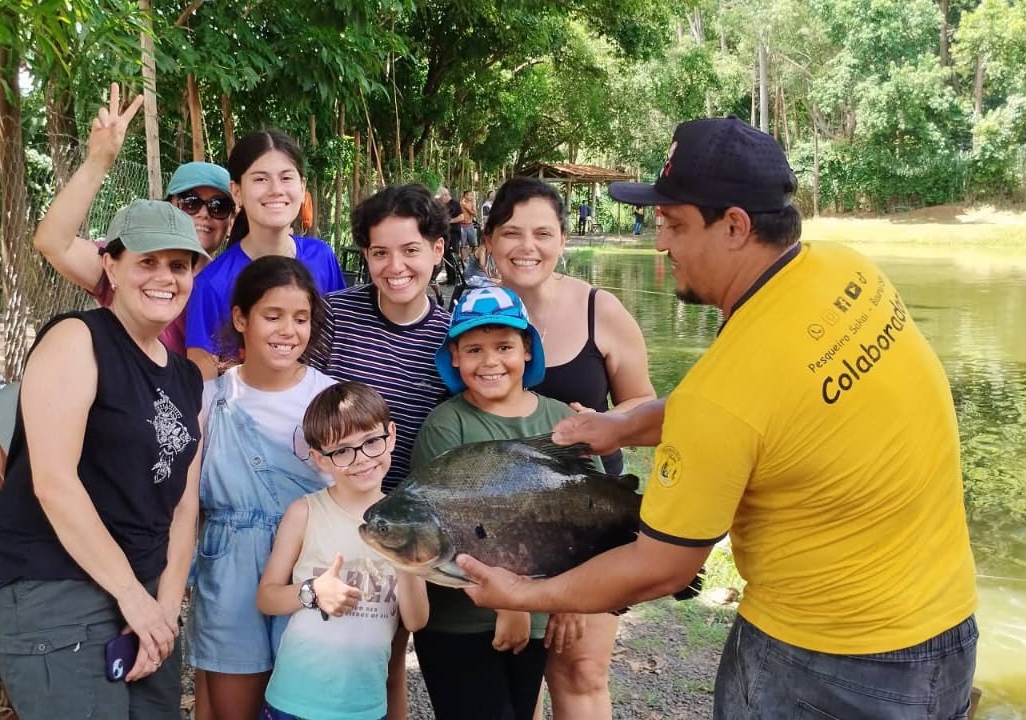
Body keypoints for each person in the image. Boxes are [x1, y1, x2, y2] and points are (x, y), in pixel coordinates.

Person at [458, 117, 980, 719]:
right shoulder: (849, 272)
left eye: (675, 225)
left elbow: (659, 569)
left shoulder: (725, 389)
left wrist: (524, 591)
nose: (660, 245)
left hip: (822, 660)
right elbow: (775, 404)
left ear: (734, 225)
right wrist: (624, 425)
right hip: (947, 626)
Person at [0, 199, 208, 718]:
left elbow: (183, 506)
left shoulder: (185, 378)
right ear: (111, 265)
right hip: (58, 589)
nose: (164, 278)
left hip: (146, 600)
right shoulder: (78, 338)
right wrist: (131, 596)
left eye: (179, 265)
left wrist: (165, 609)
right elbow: (54, 483)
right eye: (146, 261)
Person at [479, 176, 656, 718]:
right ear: (488, 240)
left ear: (562, 239)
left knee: (578, 669)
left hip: (589, 522)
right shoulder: (473, 314)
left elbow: (647, 407)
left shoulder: (598, 310)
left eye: (542, 233)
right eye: (511, 233)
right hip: (506, 530)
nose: (526, 247)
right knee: (519, 675)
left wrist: (606, 421)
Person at [410, 284, 594, 720]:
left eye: (504, 346)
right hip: (459, 622)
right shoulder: (446, 425)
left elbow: (588, 522)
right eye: (473, 349)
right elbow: (439, 525)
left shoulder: (563, 420)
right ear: (454, 356)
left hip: (539, 618)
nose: (490, 361)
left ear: (526, 350)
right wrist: (507, 602)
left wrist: (569, 600)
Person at [318, 183, 454, 720]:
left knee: (390, 652)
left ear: (437, 251)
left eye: (410, 250)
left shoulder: (452, 338)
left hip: (403, 527)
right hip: (330, 514)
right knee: (320, 642)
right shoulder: (332, 317)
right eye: (379, 253)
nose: (395, 266)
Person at [188, 255, 340, 720]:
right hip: (228, 567)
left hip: (308, 565)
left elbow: (348, 493)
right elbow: (186, 500)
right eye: (272, 316)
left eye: (301, 318)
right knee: (235, 705)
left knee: (303, 703)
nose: (287, 331)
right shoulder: (211, 399)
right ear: (241, 318)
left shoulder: (329, 399)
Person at [256, 381, 431, 720]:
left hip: (365, 705)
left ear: (391, 435)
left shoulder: (408, 521)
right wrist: (313, 591)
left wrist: (407, 565)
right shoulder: (304, 512)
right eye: (342, 450)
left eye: (371, 442)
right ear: (321, 459)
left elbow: (415, 620)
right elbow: (267, 597)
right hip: (295, 700)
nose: (361, 458)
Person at [31, 82, 234, 353]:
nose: (203, 214)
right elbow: (54, 243)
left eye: (218, 206)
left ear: (231, 220)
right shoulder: (129, 261)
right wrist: (98, 161)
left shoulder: (234, 279)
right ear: (169, 205)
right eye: (190, 202)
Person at [185, 130, 345, 379]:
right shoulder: (211, 284)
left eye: (286, 178)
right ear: (236, 192)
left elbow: (342, 345)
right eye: (260, 179)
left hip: (323, 412)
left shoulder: (322, 257)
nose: (276, 190)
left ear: (302, 188)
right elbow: (204, 385)